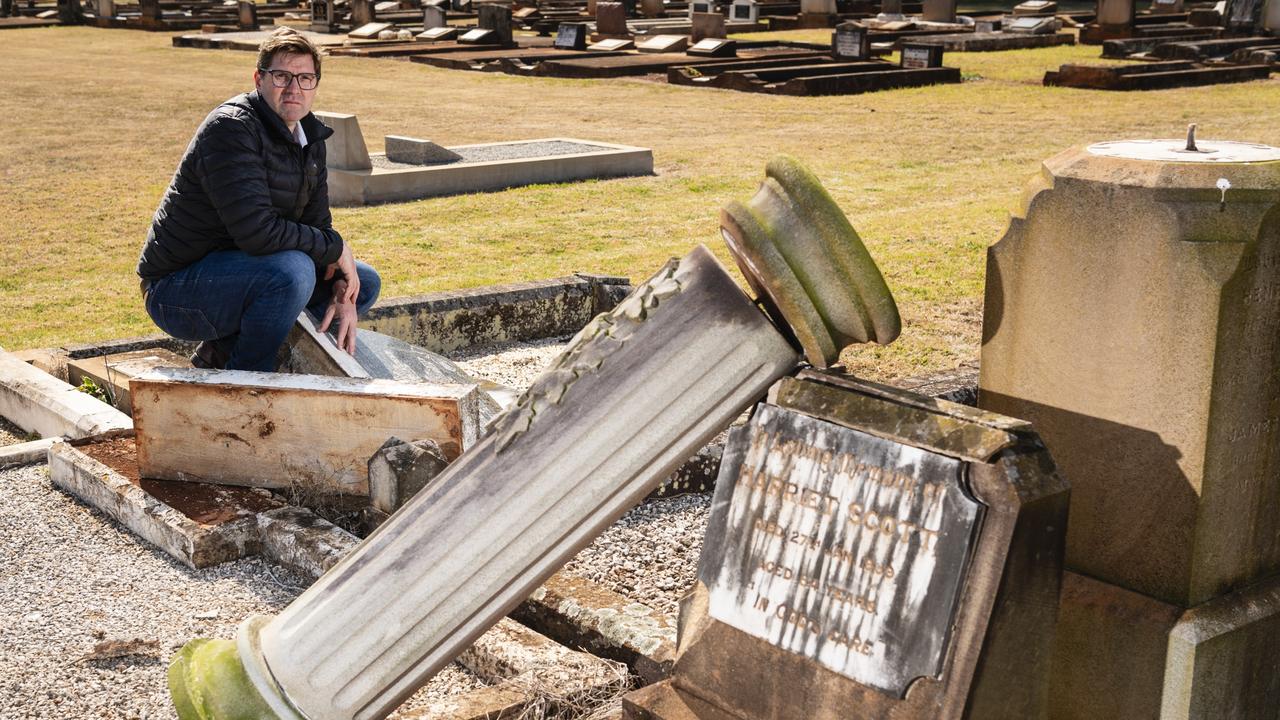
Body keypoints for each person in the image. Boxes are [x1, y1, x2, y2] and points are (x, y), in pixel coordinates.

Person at [136, 27, 379, 371]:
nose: (294, 88)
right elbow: (258, 233)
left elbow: (317, 226)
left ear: (315, 86)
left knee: (362, 283)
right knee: (292, 272)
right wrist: (336, 248)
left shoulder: (310, 137)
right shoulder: (231, 128)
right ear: (259, 79)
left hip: (242, 271)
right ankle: (248, 380)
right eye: (282, 76)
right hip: (177, 290)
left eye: (306, 78)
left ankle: (225, 356)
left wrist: (340, 282)